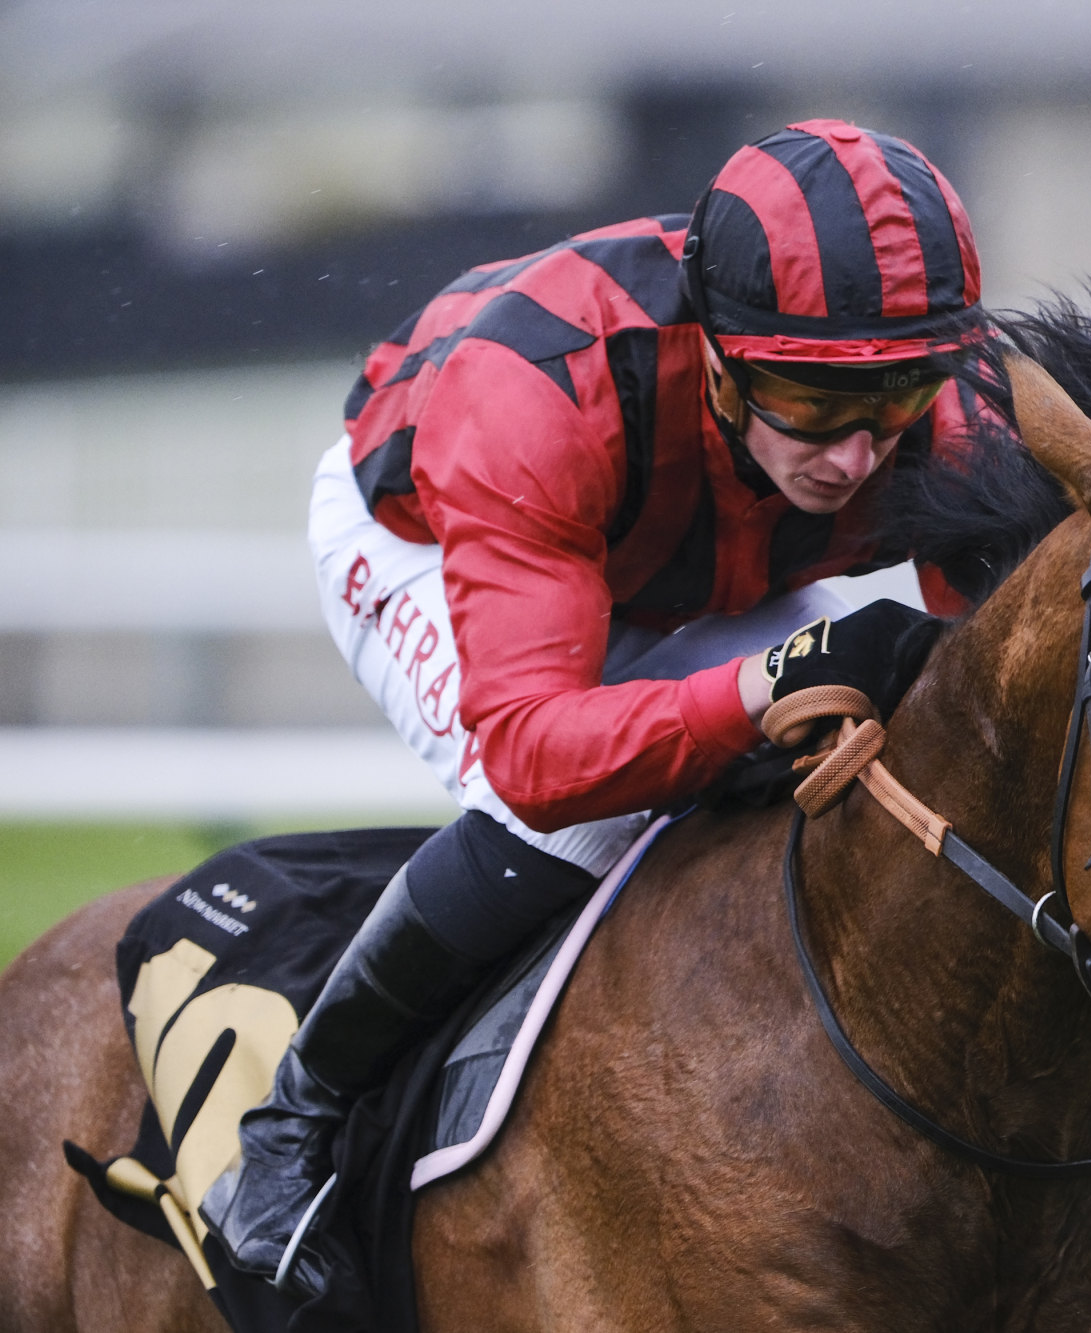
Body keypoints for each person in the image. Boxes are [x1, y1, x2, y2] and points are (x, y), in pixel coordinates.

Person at [199, 119, 987, 1295]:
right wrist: (753, 692)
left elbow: (1005, 696)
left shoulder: (930, 406)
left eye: (896, 401)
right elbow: (536, 756)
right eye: (808, 404)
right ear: (718, 358)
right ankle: (294, 1124)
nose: (857, 459)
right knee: (581, 814)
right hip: (426, 534)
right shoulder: (534, 395)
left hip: (681, 558)